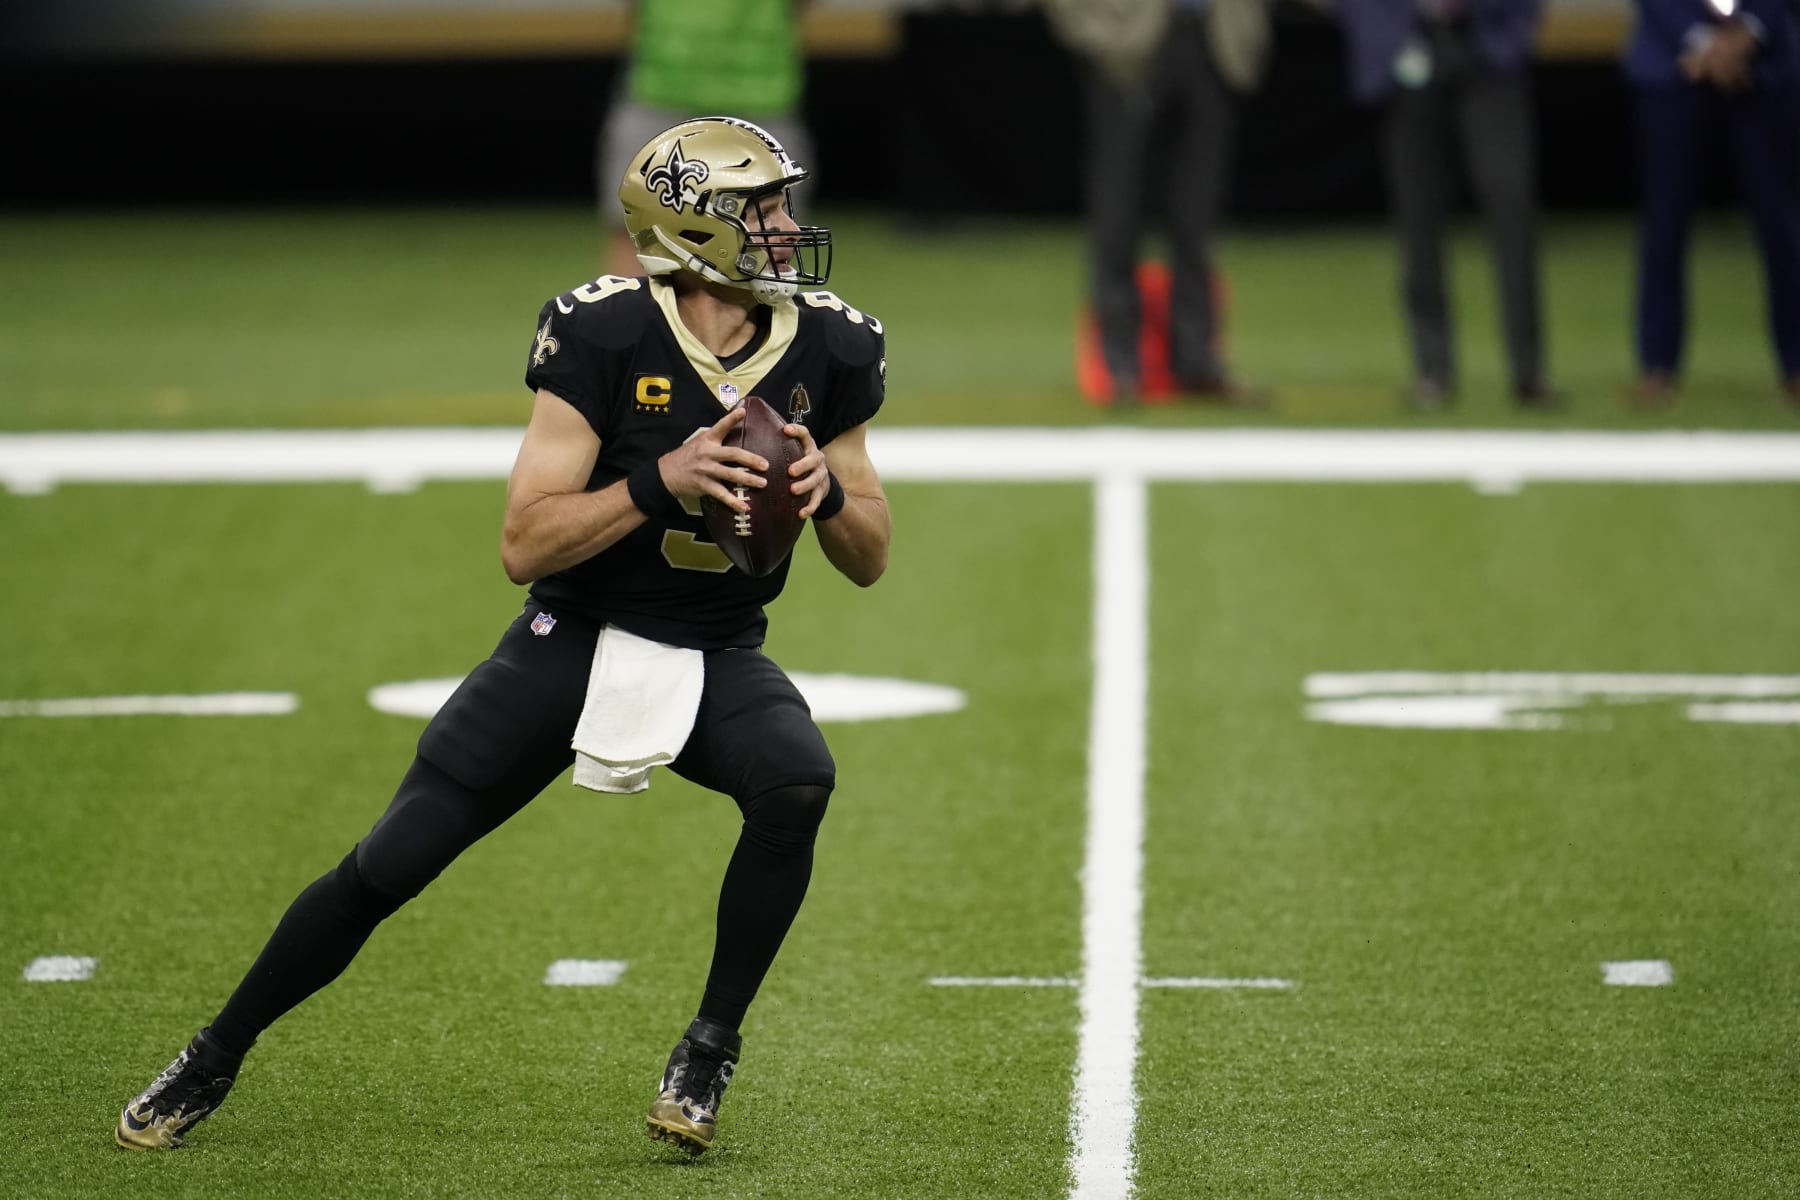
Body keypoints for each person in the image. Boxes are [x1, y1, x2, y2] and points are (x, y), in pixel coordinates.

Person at [113, 116, 891, 1160]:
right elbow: (525, 541)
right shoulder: (606, 332)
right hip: (569, 632)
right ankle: (214, 1053)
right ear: (692, 227)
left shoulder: (831, 344)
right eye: (762, 211)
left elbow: (871, 551)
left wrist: (827, 489)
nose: (788, 229)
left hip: (714, 647)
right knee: (389, 864)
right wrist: (665, 480)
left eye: (782, 206)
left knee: (798, 781)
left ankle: (706, 1052)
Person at [1046, 0, 1272, 406]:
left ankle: (1198, 361)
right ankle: (1120, 364)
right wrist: (1092, 31)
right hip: (1129, 40)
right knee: (1118, 211)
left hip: (1214, 38)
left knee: (1199, 217)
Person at [1336, 0, 1559, 410]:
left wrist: (1514, 35)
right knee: (1418, 218)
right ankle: (1432, 370)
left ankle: (1530, 371)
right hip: (1409, 45)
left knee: (1511, 207)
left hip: (1488, 45)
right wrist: (1386, 42)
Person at [1625, 0, 1800, 409]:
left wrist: (1750, 32)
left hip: (1766, 67)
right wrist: (1702, 41)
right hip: (1673, 64)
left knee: (1781, 225)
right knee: (1663, 225)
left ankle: (1795, 362)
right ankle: (1657, 364)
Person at [598, 0, 815, 279]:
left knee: (770, 237)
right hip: (663, 92)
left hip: (759, 95)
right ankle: (631, 323)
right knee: (637, 232)